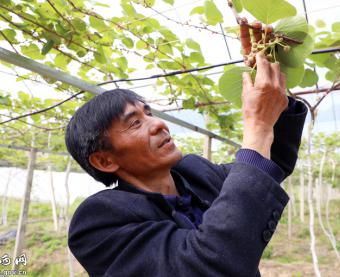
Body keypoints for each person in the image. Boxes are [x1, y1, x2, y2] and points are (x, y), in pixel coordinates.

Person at [65, 22, 307, 277]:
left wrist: (270, 86)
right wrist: (257, 125)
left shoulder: (196, 172)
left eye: (149, 113)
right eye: (135, 123)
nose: (158, 124)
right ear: (104, 161)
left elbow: (270, 164)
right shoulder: (98, 223)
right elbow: (206, 265)